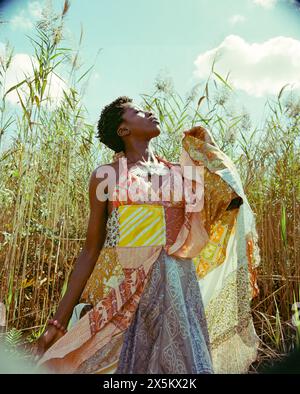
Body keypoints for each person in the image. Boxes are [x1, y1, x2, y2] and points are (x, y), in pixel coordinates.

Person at [35, 96, 260, 374]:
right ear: (123, 130)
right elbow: (90, 250)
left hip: (179, 289)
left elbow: (225, 201)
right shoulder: (106, 175)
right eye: (138, 111)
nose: (150, 112)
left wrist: (204, 145)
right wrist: (57, 324)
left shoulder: (180, 172)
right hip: (128, 291)